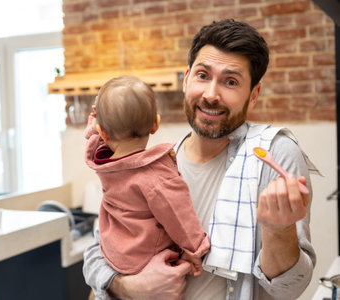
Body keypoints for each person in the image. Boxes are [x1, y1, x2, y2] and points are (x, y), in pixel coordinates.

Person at [83, 19, 318, 300]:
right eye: (203, 76)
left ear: (253, 95)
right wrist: (132, 287)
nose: (211, 95)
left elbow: (289, 289)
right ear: (187, 79)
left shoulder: (273, 154)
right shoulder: (153, 162)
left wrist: (278, 230)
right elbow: (98, 251)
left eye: (230, 82)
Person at [84, 75, 210, 277]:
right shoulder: (156, 174)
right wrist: (196, 249)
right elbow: (179, 214)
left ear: (103, 132)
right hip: (146, 257)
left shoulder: (105, 163)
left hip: (115, 252)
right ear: (155, 124)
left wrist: (95, 123)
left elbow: (95, 137)